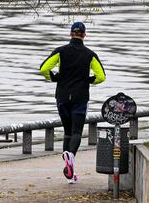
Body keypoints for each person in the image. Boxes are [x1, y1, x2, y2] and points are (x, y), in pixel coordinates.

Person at [39, 22, 106, 183]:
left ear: (70, 34)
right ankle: (70, 158)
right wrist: (89, 80)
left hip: (62, 97)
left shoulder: (60, 51)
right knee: (76, 133)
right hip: (80, 97)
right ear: (84, 35)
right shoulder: (90, 54)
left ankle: (70, 173)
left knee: (67, 132)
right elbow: (101, 76)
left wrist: (53, 77)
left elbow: (43, 69)